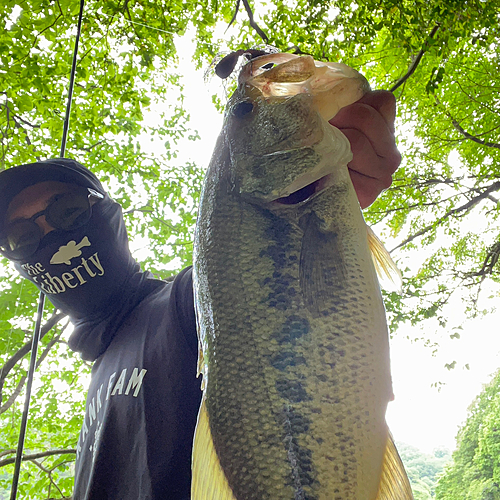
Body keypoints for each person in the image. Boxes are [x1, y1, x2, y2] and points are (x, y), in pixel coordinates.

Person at [0, 89, 400, 499]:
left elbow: (256, 269)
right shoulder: (101, 365)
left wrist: (308, 158)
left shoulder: (183, 302)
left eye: (67, 211)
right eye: (22, 237)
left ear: (108, 213)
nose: (49, 235)